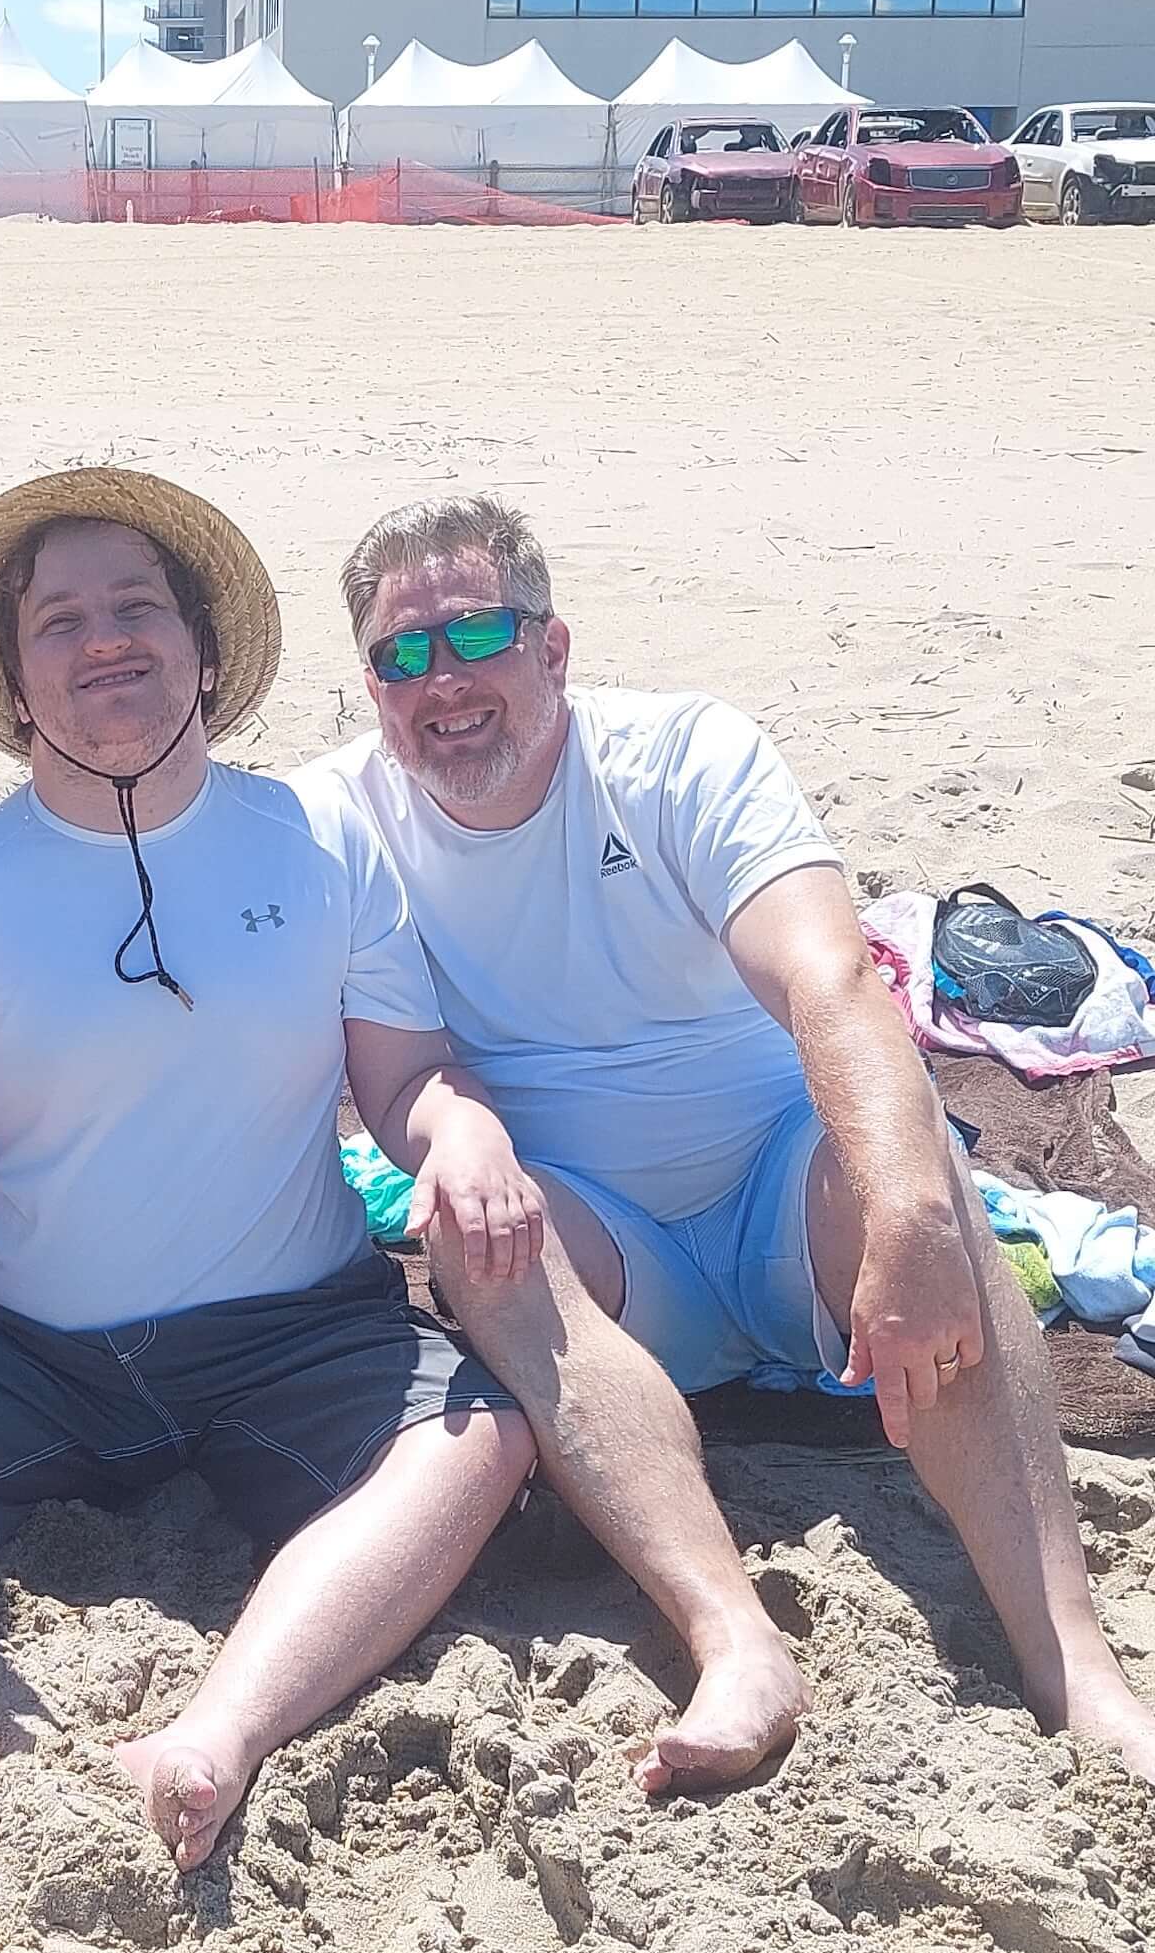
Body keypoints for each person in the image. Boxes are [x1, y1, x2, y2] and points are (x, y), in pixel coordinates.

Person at [0, 465, 545, 1913]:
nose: (103, 638)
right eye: (58, 620)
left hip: (291, 1329)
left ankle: (217, 1733)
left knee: (479, 1438)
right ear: (15, 682)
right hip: (17, 1345)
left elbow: (403, 1077)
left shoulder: (318, 842)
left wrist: (462, 1131)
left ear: (204, 651)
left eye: (136, 607)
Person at [302, 488, 1155, 1789]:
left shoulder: (678, 758)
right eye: (401, 654)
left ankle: (1074, 1669)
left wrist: (912, 1216)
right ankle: (734, 1642)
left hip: (780, 1193)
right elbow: (400, 1068)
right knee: (472, 1233)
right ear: (370, 684)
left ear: (552, 646)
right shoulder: (341, 819)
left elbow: (831, 982)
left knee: (915, 1170)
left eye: (475, 635)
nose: (444, 681)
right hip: (602, 1245)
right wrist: (456, 1129)